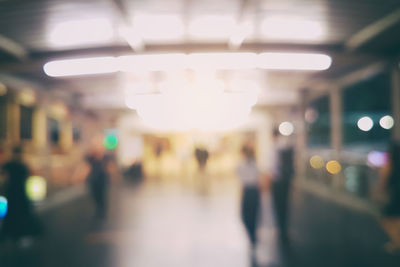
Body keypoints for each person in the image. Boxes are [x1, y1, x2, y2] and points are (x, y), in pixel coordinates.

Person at [0, 146, 43, 243]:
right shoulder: (22, 165)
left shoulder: (10, 164)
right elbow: (30, 174)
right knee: (22, 211)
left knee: (12, 212)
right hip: (20, 192)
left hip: (12, 191)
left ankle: (12, 233)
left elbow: (3, 173)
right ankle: (19, 232)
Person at [270, 128, 295, 246]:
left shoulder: (274, 147)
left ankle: (281, 228)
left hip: (277, 181)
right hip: (285, 180)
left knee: (278, 204)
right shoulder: (284, 145)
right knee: (284, 204)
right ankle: (283, 228)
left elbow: (273, 166)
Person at [236, 145, 261, 251]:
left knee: (246, 215)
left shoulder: (242, 165)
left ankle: (252, 235)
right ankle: (253, 235)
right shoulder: (254, 164)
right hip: (254, 191)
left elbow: (239, 175)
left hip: (248, 191)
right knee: (253, 214)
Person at [380, 142, 400, 253]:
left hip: (396, 193)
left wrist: (381, 190)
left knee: (387, 217)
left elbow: (384, 178)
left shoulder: (391, 163)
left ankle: (397, 242)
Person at [85, 145, 111, 220]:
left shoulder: (105, 158)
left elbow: (109, 167)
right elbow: (87, 167)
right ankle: (98, 208)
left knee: (102, 196)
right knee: (94, 195)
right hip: (93, 180)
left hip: (102, 180)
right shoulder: (91, 158)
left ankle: (101, 211)